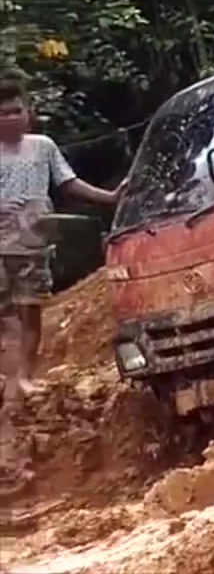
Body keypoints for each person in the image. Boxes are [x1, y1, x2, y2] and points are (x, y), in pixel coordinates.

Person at [0, 72, 120, 400]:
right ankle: (9, 375)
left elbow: (69, 182)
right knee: (5, 316)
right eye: (3, 112)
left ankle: (23, 377)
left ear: (28, 112)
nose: (10, 117)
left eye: (16, 110)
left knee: (31, 312)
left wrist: (108, 197)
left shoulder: (43, 148)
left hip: (33, 245)